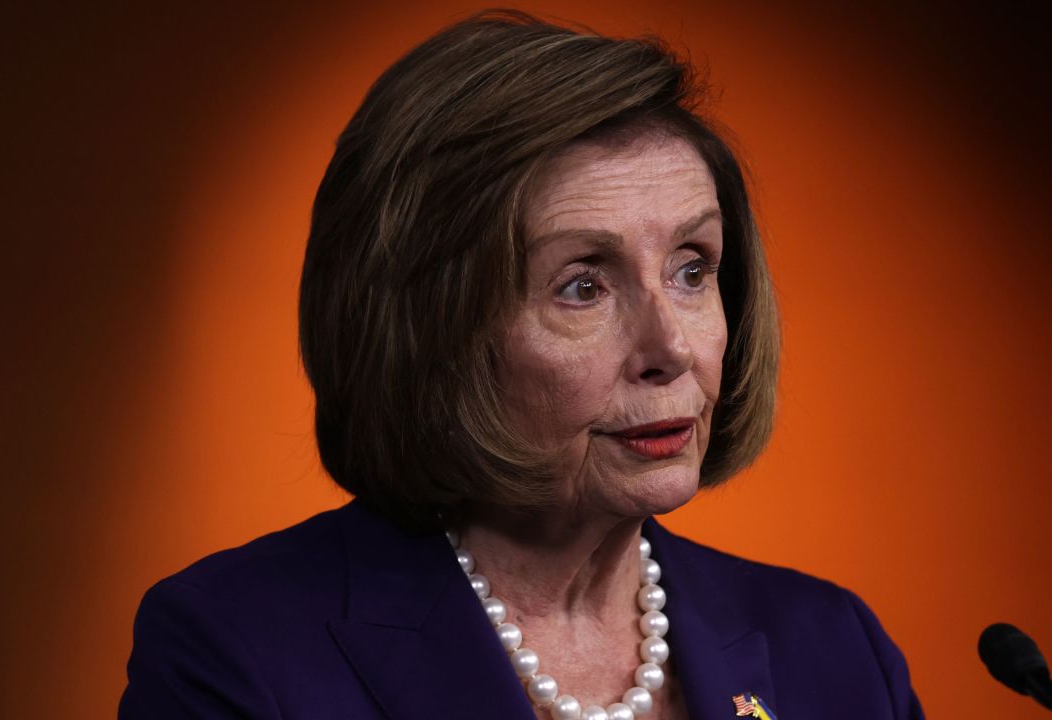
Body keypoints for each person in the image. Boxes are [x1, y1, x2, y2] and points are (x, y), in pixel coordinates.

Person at [119, 9, 923, 720]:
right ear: (428, 330)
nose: (670, 347)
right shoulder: (237, 652)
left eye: (692, 269)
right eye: (582, 286)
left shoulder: (833, 649)